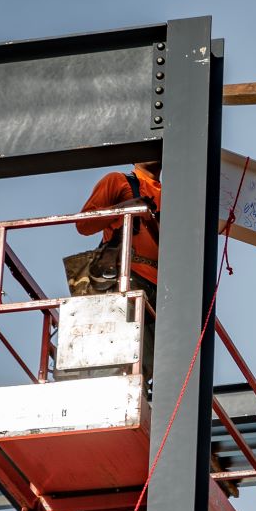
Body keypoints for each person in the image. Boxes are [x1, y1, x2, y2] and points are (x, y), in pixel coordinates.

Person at [67, 161, 161, 376]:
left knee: (146, 365)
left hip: (160, 290)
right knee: (116, 357)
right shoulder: (119, 181)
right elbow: (84, 225)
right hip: (124, 280)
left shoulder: (173, 193)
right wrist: (124, 208)